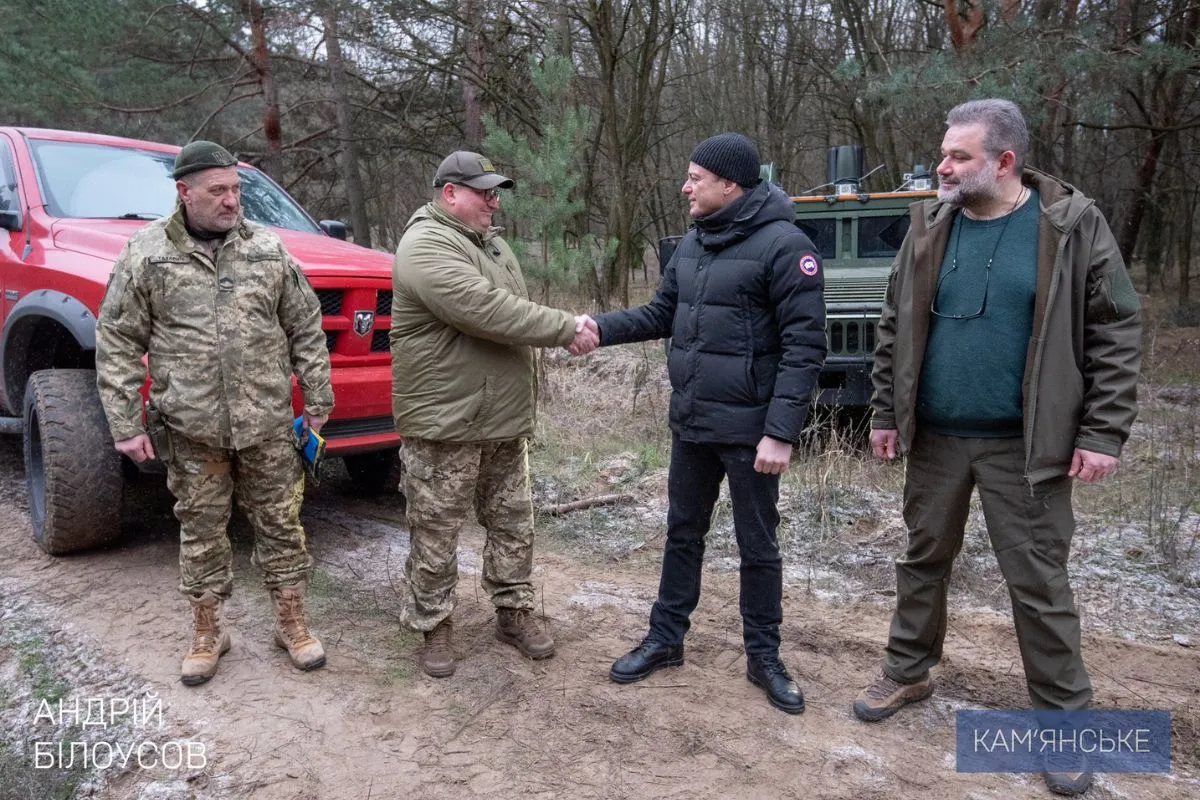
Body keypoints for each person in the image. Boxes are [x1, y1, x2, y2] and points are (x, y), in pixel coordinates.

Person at [855, 99, 1141, 796]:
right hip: (937, 440)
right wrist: (887, 411)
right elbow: (894, 323)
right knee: (922, 560)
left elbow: (1116, 331)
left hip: (1028, 447)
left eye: (959, 156)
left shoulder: (1069, 225)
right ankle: (907, 671)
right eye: (943, 153)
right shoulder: (929, 224)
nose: (943, 167)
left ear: (1004, 161)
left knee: (1039, 585)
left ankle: (1065, 725)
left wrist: (1102, 432)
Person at [584, 133, 827, 714]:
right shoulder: (694, 243)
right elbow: (661, 314)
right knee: (682, 533)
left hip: (750, 432)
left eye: (696, 178)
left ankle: (763, 657)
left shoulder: (786, 247)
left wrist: (780, 432)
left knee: (758, 546)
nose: (685, 187)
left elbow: (805, 348)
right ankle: (665, 640)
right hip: (692, 422)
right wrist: (598, 328)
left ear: (730, 184)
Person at [96, 141, 333, 686]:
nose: (231, 201)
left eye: (236, 189)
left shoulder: (267, 249)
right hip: (191, 428)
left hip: (267, 425)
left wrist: (318, 399)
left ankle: (292, 622)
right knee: (201, 529)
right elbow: (117, 341)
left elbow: (305, 326)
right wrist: (124, 425)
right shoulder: (146, 254)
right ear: (185, 192)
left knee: (281, 524)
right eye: (217, 190)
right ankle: (208, 631)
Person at [390, 150, 598, 678]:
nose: (493, 201)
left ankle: (513, 611)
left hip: (502, 416)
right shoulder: (424, 244)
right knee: (436, 529)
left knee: (512, 523)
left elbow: (509, 318)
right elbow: (484, 309)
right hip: (446, 422)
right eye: (483, 192)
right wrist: (566, 328)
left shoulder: (495, 245)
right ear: (449, 193)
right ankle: (434, 623)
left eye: (495, 192)